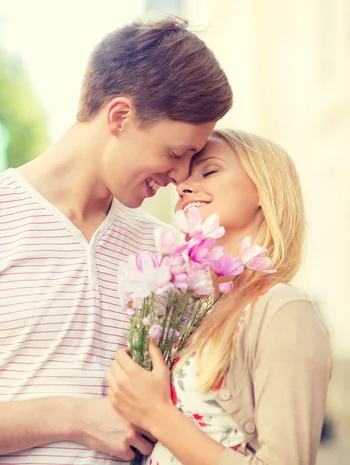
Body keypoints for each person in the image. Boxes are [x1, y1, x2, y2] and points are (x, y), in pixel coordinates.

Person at [0, 19, 232, 465]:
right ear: (120, 116)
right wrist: (73, 417)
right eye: (175, 153)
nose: (180, 176)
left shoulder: (168, 253)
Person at [107, 129, 332, 465]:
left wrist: (156, 414)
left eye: (209, 171)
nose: (182, 187)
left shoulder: (283, 311)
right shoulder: (191, 311)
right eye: (183, 179)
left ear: (264, 191)